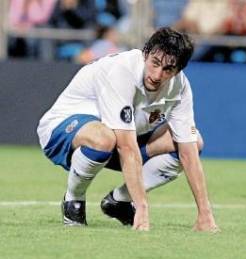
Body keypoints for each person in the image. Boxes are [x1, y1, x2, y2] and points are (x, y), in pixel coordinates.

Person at [37, 27, 218, 232]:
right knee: (104, 138)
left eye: (168, 69)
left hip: (120, 138)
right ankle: (73, 200)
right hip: (62, 130)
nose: (157, 75)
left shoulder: (180, 88)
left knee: (194, 143)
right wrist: (142, 206)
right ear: (145, 54)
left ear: (178, 71)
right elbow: (127, 148)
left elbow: (189, 153)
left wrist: (205, 213)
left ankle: (119, 201)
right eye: (155, 63)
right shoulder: (122, 71)